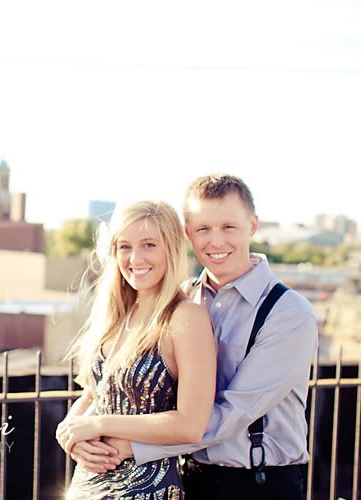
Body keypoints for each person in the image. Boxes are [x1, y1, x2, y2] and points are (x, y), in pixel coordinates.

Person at [75, 174, 318, 500]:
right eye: (203, 229)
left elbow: (229, 415)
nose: (215, 242)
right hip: (190, 476)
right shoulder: (182, 298)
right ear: (188, 234)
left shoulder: (288, 313)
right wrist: (76, 433)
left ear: (253, 226)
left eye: (228, 227)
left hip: (258, 484)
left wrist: (123, 445)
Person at [55, 200, 217, 499]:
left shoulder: (185, 317)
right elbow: (95, 393)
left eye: (149, 245)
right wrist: (68, 433)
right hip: (86, 486)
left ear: (171, 248)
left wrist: (99, 424)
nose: (135, 258)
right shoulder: (119, 313)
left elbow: (190, 425)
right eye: (124, 246)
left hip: (146, 489)